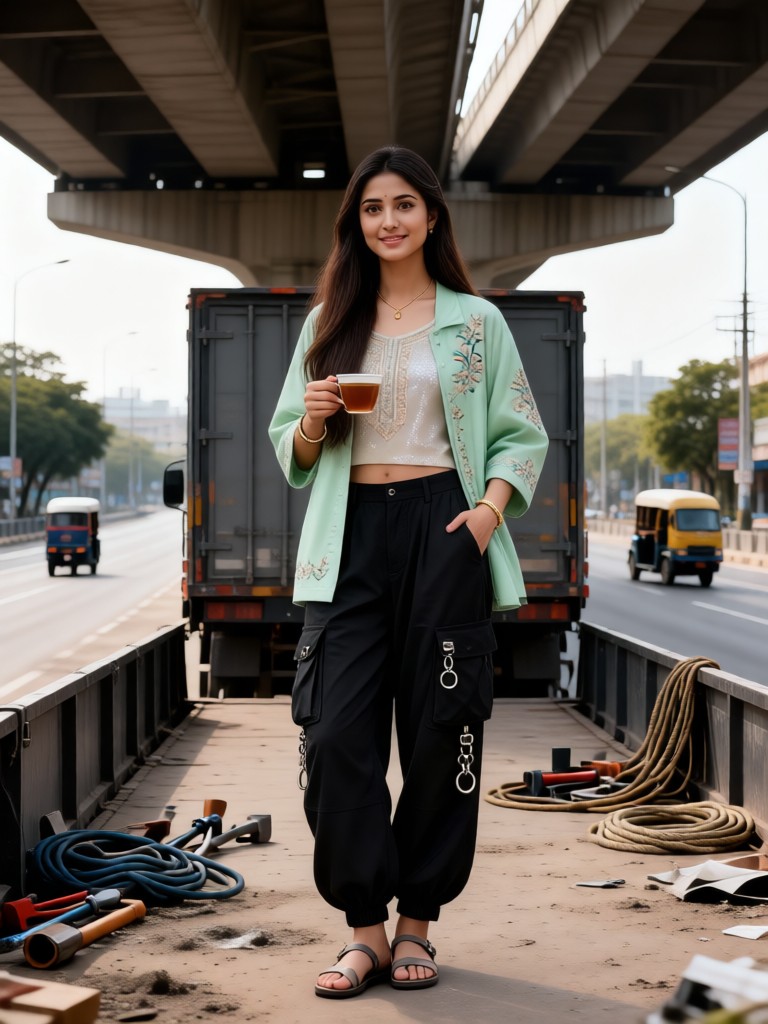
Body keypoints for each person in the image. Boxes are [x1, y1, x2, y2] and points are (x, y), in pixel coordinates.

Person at [269, 145, 548, 999]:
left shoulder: (476, 321)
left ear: (431, 215)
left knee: (442, 728)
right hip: (347, 533)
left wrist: (488, 514)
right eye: (370, 208)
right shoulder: (329, 322)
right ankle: (365, 931)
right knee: (336, 734)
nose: (387, 220)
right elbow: (293, 453)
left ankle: (419, 920)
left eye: (402, 205)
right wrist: (314, 419)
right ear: (355, 223)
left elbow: (521, 433)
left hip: (445, 525)